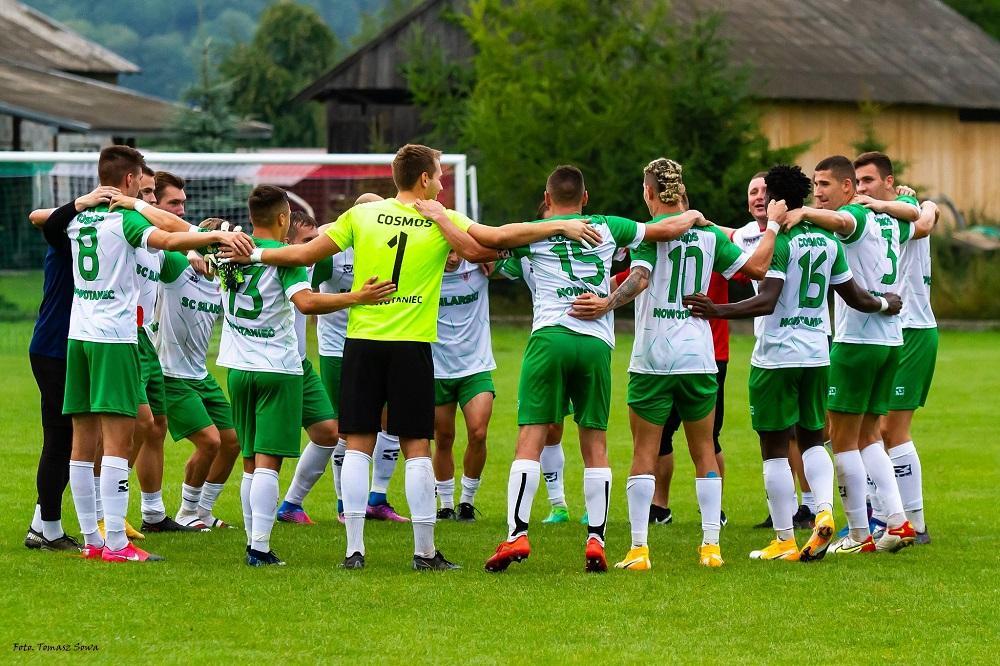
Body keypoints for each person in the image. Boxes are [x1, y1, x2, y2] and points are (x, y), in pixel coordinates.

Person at [221, 144, 604, 571]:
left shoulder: (361, 215)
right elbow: (493, 241)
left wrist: (253, 253)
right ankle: (424, 552)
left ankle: (353, 551)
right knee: (417, 448)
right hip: (411, 344)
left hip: (362, 342)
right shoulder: (441, 217)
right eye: (439, 176)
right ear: (424, 178)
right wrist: (559, 225)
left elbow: (303, 254)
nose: (441, 183)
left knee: (358, 444)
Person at [457, 163, 710, 573]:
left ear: (547, 199)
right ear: (586, 198)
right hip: (595, 342)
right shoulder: (609, 226)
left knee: (530, 438)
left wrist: (439, 215)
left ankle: (517, 534)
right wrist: (694, 214)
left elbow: (477, 246)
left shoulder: (531, 232)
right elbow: (667, 228)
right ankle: (596, 540)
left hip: (550, 337)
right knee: (595, 444)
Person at [684, 164, 901, 562]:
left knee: (774, 447)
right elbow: (855, 297)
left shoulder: (780, 241)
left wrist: (717, 310)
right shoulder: (828, 240)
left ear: (776, 199)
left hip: (777, 356)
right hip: (817, 353)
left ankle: (784, 538)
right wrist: (886, 303)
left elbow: (767, 300)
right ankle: (823, 510)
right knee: (813, 438)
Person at [568, 159, 774, 570]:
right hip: (698, 357)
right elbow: (758, 268)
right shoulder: (709, 235)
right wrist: (774, 227)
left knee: (644, 452)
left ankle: (639, 549)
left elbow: (639, 279)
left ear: (649, 193)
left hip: (653, 358)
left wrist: (607, 304)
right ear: (682, 191)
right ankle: (711, 547)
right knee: (704, 451)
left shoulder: (650, 233)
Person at [63, 145, 251, 563]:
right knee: (119, 440)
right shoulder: (126, 217)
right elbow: (168, 237)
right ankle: (115, 543)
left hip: (78, 336)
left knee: (83, 440)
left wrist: (78, 202)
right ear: (130, 180)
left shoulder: (78, 216)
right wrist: (214, 236)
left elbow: (42, 217)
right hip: (115, 339)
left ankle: (92, 540)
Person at [220, 186, 395, 567]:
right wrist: (357, 297)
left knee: (252, 460)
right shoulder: (287, 259)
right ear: (284, 218)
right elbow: (306, 302)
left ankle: (254, 540)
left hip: (238, 366)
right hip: (277, 367)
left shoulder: (228, 249)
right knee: (267, 461)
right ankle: (259, 548)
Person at [781, 155, 937, 554]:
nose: (818, 193)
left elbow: (841, 220)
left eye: (825, 185)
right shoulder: (890, 220)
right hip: (890, 341)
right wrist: (894, 202)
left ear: (848, 187)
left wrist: (804, 213)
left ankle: (858, 533)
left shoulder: (856, 216)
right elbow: (916, 215)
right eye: (815, 185)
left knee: (843, 438)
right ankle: (899, 522)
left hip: (857, 342)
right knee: (870, 435)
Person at [277, 201, 410, 525]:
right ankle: (340, 505)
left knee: (389, 420)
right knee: (344, 429)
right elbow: (304, 288)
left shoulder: (393, 246)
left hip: (382, 343)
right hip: (339, 350)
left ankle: (377, 498)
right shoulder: (332, 252)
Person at [24, 185, 122, 552]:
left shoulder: (100, 233)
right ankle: (47, 529)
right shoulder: (72, 233)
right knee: (63, 438)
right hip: (56, 347)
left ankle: (43, 523)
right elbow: (40, 218)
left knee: (70, 438)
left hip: (71, 346)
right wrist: (81, 203)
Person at [856, 153, 937, 545]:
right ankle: (881, 515)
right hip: (886, 331)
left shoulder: (907, 211)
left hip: (913, 328)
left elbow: (925, 219)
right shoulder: (875, 217)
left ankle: (916, 524)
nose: (862, 189)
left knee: (891, 429)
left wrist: (919, 203)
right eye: (857, 182)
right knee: (869, 427)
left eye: (869, 180)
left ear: (889, 182)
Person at [156, 218, 241, 529]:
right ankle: (186, 512)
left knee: (233, 441)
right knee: (209, 442)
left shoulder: (224, 279)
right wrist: (189, 251)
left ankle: (203, 511)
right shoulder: (177, 267)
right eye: (223, 246)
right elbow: (159, 245)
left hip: (201, 374)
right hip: (171, 374)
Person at [132, 170, 197, 534]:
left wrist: (195, 251)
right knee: (133, 425)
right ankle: (104, 512)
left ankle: (153, 514)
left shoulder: (155, 244)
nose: (155, 203)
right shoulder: (121, 224)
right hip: (120, 338)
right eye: (150, 195)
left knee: (156, 427)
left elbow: (178, 241)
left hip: (146, 341)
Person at [433, 250, 496, 521]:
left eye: (457, 250)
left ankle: (467, 501)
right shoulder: (424, 269)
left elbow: (513, 246)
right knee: (443, 437)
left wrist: (493, 256)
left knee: (478, 432)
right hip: (436, 367)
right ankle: (446, 503)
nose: (454, 257)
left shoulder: (480, 263)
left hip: (476, 366)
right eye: (447, 250)